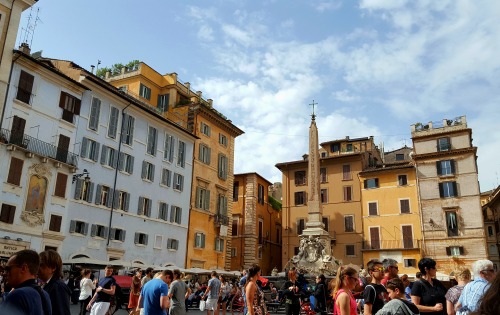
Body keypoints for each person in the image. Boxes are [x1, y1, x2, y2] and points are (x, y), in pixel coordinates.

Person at [0, 249, 52, 315]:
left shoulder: (18, 295)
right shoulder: (45, 294)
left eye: (8, 269)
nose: (4, 273)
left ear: (23, 268)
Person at [38, 249, 72, 315]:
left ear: (53, 268)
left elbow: (62, 312)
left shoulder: (58, 287)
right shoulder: (48, 284)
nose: (38, 268)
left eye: (41, 265)